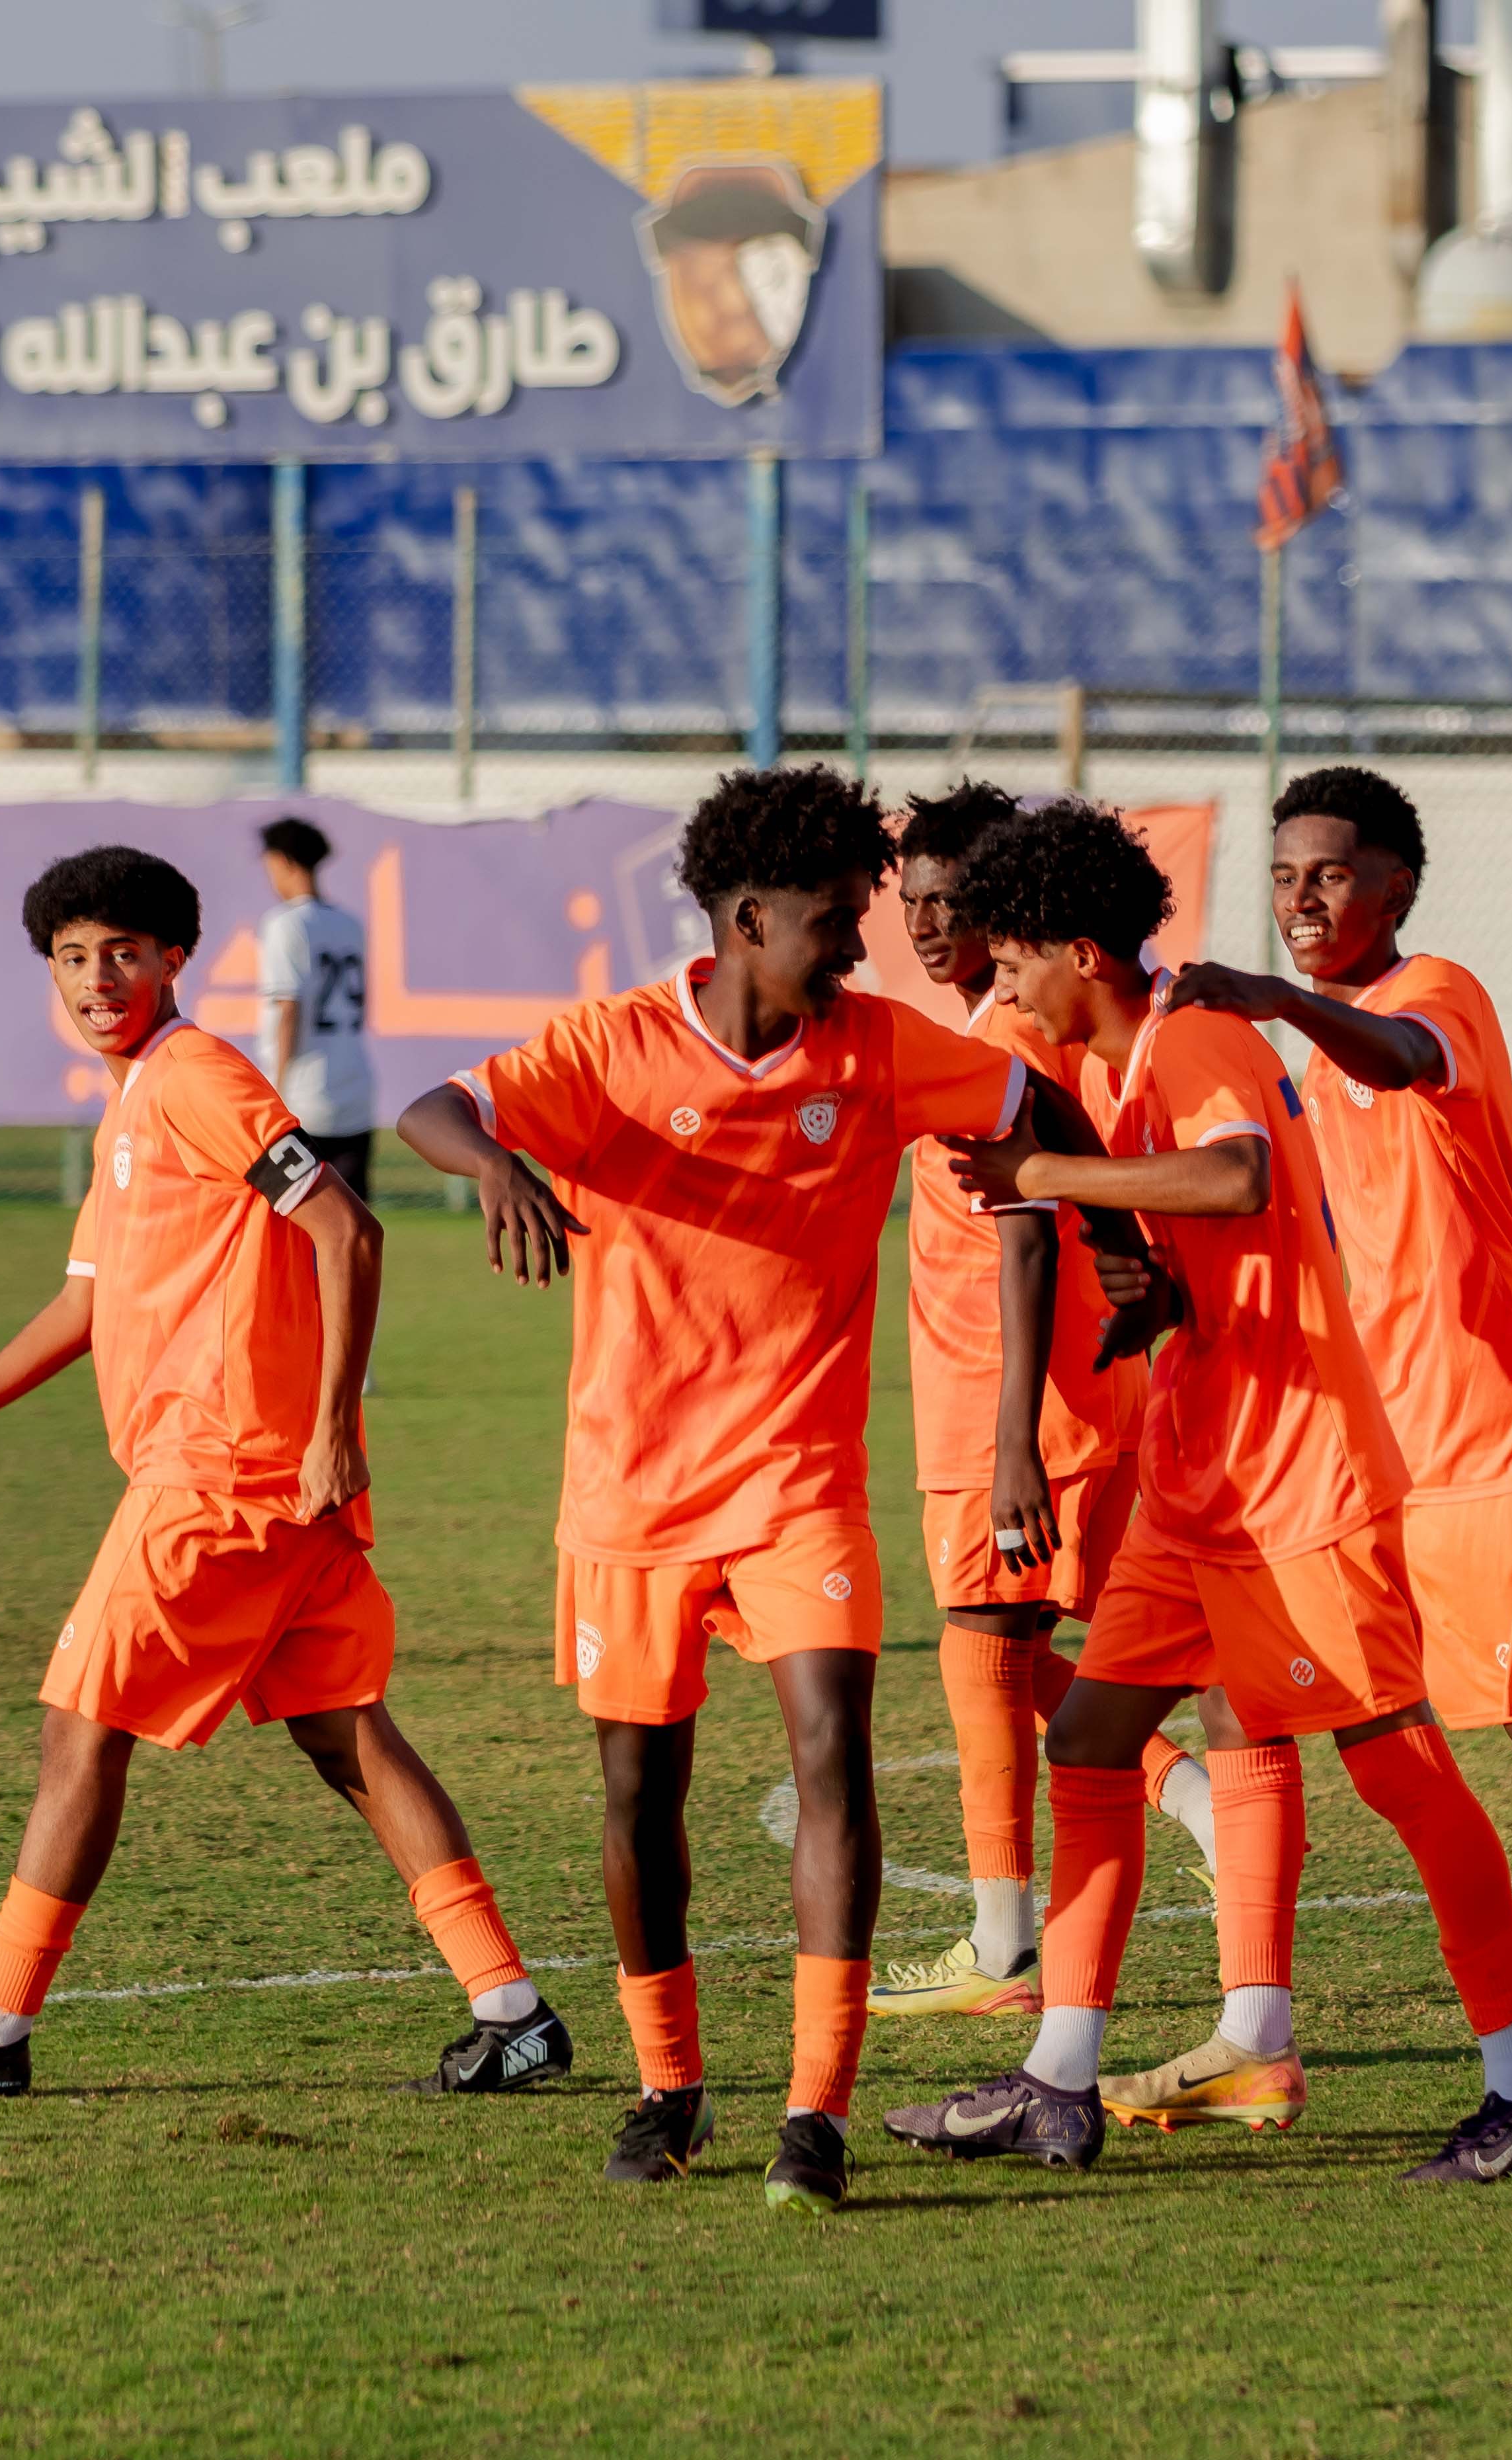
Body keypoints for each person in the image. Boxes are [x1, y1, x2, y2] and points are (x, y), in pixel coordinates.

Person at [887, 800, 1512, 2186]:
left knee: (1399, 1764)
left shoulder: (1196, 1032)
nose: (1002, 980)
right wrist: (1148, 1293)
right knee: (1088, 1738)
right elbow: (1230, 1228)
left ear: (1080, 951)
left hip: (1297, 1481)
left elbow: (1238, 1173)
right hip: (1197, 1475)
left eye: (1016, 956)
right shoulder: (1136, 1055)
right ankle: (1057, 2079)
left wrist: (1048, 1173)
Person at [395, 767, 1050, 2215]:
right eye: (834, 921)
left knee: (833, 1751)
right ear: (746, 918)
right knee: (641, 1790)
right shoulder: (618, 1043)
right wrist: (497, 1165)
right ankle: (669, 2084)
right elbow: (431, 1105)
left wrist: (1071, 1207)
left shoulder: (876, 1048)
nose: (858, 948)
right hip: (629, 1490)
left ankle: (813, 2110)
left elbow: (1032, 1103)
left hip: (798, 1483)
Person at [0, 846, 563, 2100]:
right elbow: (87, 1302)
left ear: (175, 959)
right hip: (268, 1483)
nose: (96, 978)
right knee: (350, 1738)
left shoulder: (195, 1075)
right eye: (71, 958)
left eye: (122, 952)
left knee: (79, 1727)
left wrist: (335, 1423)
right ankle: (514, 2010)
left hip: (223, 1474)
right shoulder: (135, 1100)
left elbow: (348, 1226)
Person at [1154, 765, 1512, 2153]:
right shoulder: (1301, 1061)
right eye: (1285, 874)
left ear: (1397, 887)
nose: (1301, 898)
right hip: (1363, 1453)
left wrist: (1277, 1002)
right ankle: (1255, 2033)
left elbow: (1396, 1060)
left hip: (1487, 1434)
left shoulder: (1429, 998)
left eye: (1331, 874)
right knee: (1257, 1706)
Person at [871, 780, 1215, 2022]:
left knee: (985, 1653)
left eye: (947, 902)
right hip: (1061, 1399)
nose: (922, 924)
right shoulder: (1012, 1028)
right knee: (1028, 1655)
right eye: (908, 903)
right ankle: (1194, 1806)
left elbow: (1021, 1238)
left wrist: (1012, 1442)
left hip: (1011, 1408)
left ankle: (1003, 1945)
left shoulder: (1002, 1041)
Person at [254, 816, 373, 1199]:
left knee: (295, 1236)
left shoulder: (286, 924)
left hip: (303, 1098)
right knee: (351, 1232)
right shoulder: (350, 924)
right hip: (354, 1089)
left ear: (284, 862)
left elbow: (289, 1009)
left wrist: (276, 1091)